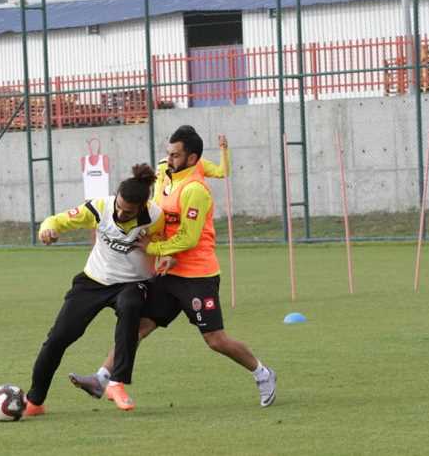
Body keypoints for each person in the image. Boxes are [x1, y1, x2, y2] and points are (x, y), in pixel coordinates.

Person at [70, 126, 277, 408]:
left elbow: (189, 238)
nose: (169, 159)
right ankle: (102, 378)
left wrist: (153, 248)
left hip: (197, 276)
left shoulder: (195, 191)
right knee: (138, 325)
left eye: (175, 155)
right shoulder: (163, 175)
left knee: (215, 340)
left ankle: (263, 374)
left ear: (192, 159)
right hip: (168, 272)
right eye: (168, 152)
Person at [24, 164, 166, 417]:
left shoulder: (155, 217)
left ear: (142, 208)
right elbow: (57, 220)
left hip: (134, 282)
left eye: (128, 211)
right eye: (119, 206)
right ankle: (34, 401)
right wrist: (48, 230)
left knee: (130, 307)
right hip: (94, 281)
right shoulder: (99, 207)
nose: (121, 213)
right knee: (58, 338)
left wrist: (158, 249)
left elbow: (168, 244)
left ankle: (116, 384)